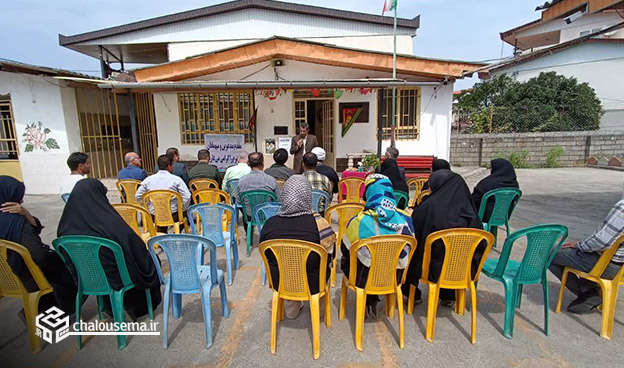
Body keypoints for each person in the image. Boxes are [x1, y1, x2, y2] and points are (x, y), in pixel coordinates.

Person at [57, 179, 162, 319]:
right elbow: (134, 246)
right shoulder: (108, 222)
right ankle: (131, 305)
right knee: (149, 260)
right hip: (117, 277)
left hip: (86, 277)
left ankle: (108, 305)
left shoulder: (65, 227)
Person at [405, 170, 485, 307]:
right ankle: (449, 295)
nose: (429, 188)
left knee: (411, 251)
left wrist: (413, 214)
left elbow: (418, 235)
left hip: (433, 268)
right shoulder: (470, 210)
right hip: (463, 268)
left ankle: (413, 294)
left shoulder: (429, 208)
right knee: (453, 253)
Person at [260, 175, 336, 319]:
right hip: (314, 282)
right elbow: (330, 254)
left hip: (281, 281)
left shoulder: (270, 224)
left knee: (286, 266)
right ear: (307, 196)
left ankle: (291, 311)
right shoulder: (320, 224)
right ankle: (318, 312)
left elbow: (267, 254)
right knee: (321, 265)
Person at [340, 174, 414, 317]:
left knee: (352, 259)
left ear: (368, 193)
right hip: (394, 276)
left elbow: (345, 249)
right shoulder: (405, 220)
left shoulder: (358, 221)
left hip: (362, 278)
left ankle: (368, 299)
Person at [0, 176, 77, 314]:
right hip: (28, 276)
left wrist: (27, 215)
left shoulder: (15, 220)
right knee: (69, 269)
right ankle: (56, 311)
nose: (22, 200)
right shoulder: (17, 223)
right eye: (19, 196)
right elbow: (39, 256)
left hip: (7, 278)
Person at [549, 199, 624, 314]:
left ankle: (587, 292)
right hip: (621, 269)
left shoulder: (622, 207)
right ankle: (589, 288)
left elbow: (601, 242)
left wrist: (580, 245)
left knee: (548, 253)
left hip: (606, 266)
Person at [135, 155, 191, 231]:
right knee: (185, 215)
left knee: (159, 215)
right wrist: (181, 208)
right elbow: (187, 196)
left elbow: (138, 195)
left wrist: (147, 206)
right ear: (169, 166)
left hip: (155, 214)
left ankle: (162, 234)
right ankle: (177, 233)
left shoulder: (148, 180)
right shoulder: (176, 180)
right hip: (173, 214)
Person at [471, 158, 519, 222]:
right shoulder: (514, 185)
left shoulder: (486, 183)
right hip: (504, 216)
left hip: (484, 216)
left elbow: (473, 200)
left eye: (491, 167)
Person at [238, 152, 278, 220]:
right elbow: (278, 200)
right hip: (267, 215)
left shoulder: (241, 181)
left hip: (250, 215)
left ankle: (249, 230)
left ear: (248, 163)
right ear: (263, 163)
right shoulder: (271, 180)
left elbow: (239, 201)